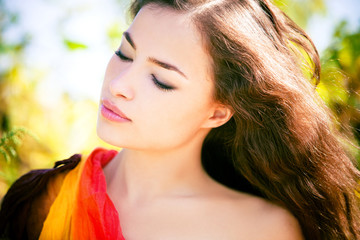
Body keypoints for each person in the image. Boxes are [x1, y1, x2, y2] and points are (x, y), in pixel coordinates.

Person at [1, 0, 359, 239]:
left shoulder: (261, 230)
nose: (119, 84)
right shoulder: (43, 199)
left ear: (218, 111)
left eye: (161, 80)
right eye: (124, 54)